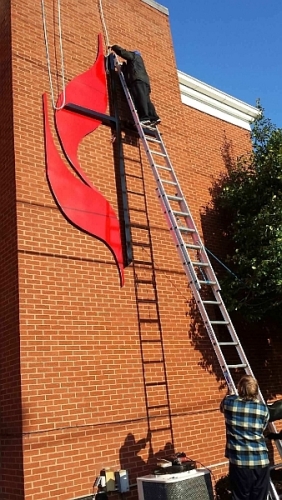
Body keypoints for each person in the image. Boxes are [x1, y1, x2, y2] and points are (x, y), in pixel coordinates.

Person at [220, 375, 270, 500]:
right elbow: (262, 428)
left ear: (240, 389)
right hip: (261, 462)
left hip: (239, 462)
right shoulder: (263, 409)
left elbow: (222, 406)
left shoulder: (229, 403)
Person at [109, 44, 160, 127]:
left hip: (137, 80)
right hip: (144, 82)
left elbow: (123, 52)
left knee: (140, 98)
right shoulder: (137, 64)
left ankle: (145, 118)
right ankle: (154, 117)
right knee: (146, 100)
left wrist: (114, 47)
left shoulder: (134, 56)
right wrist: (123, 68)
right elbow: (130, 70)